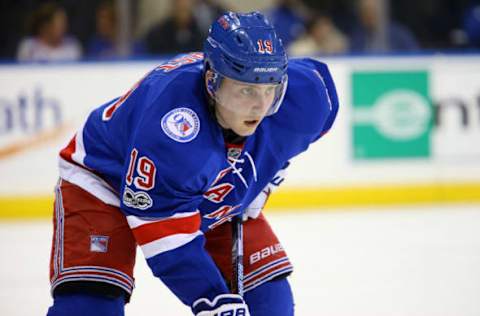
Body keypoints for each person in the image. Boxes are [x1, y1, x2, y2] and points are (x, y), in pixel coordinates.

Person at [46, 11, 338, 316]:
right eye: (246, 90)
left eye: (269, 90)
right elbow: (162, 228)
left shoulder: (304, 97)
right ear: (212, 81)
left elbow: (315, 115)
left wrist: (270, 175)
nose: (260, 106)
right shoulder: (172, 131)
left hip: (202, 184)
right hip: (105, 180)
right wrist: (211, 298)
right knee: (90, 305)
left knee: (271, 303)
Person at [16, 2, 82, 62]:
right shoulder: (29, 47)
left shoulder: (72, 46)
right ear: (45, 25)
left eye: (64, 22)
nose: (64, 26)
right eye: (60, 23)